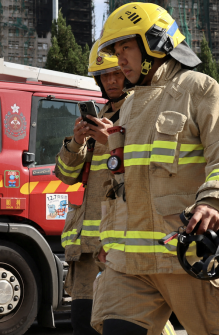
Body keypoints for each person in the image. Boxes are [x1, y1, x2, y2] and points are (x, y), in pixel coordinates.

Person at [90, 2, 219, 335]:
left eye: (126, 47)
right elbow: (126, 181)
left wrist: (213, 201)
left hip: (186, 253)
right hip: (130, 265)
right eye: (116, 50)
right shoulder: (132, 101)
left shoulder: (198, 88)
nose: (120, 59)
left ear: (156, 42)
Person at [54, 41, 177, 335]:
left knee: (137, 324)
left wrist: (116, 140)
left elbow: (150, 171)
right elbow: (67, 175)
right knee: (83, 323)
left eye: (116, 74)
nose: (111, 81)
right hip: (88, 247)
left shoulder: (144, 113)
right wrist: (78, 142)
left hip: (125, 242)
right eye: (103, 76)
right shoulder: (99, 118)